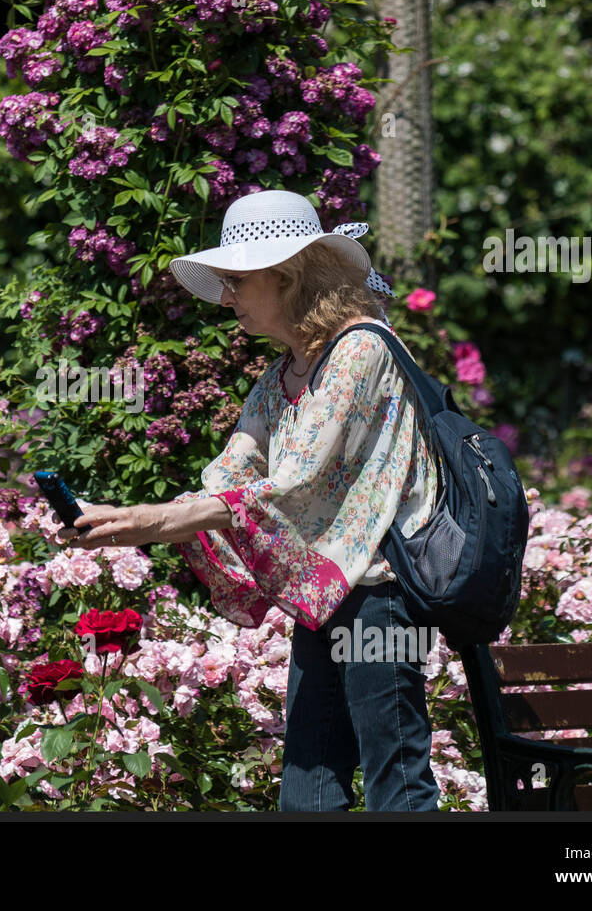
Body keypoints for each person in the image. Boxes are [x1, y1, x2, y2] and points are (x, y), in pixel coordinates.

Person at [55, 189, 443, 811]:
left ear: (287, 277)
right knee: (306, 798)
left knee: (397, 788)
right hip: (328, 594)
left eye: (238, 280)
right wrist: (122, 517)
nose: (228, 295)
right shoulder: (283, 373)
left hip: (381, 596)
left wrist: (154, 522)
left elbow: (293, 481)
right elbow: (230, 478)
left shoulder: (362, 349)